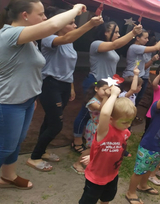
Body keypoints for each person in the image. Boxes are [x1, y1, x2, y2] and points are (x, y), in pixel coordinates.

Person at [0, 0, 86, 189]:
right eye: (41, 14)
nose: (45, 18)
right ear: (25, 15)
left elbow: (29, 69)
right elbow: (51, 26)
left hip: (25, 101)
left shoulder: (28, 38)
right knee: (4, 146)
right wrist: (75, 10)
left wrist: (32, 94)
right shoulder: (10, 34)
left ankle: (8, 175)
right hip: (8, 103)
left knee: (16, 143)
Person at [27, 9, 104, 171]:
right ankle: (34, 157)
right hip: (50, 84)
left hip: (63, 85)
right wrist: (89, 24)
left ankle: (42, 151)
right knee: (56, 124)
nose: (75, 25)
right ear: (60, 25)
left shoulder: (70, 42)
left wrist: (70, 87)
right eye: (71, 23)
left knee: (50, 120)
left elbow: (68, 66)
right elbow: (67, 37)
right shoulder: (50, 38)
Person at [72, 21, 142, 154]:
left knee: (103, 113)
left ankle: (97, 139)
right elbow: (116, 44)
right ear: (105, 32)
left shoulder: (111, 48)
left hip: (107, 86)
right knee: (86, 113)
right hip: (95, 84)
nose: (118, 34)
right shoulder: (96, 44)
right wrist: (133, 33)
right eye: (115, 31)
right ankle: (76, 141)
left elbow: (116, 45)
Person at [125, 69, 160, 203]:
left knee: (150, 168)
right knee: (140, 170)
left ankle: (143, 185)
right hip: (148, 145)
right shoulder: (159, 106)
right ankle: (130, 192)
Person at [78, 86, 137, 204]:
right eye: (125, 122)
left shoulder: (125, 132)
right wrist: (114, 94)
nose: (128, 125)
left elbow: (111, 148)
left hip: (112, 174)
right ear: (110, 119)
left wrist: (94, 156)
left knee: (107, 198)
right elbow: (104, 113)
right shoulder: (104, 131)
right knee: (88, 201)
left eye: (131, 121)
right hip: (96, 177)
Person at [71, 80, 110, 174]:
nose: (106, 92)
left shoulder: (103, 99)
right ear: (96, 89)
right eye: (104, 89)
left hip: (103, 126)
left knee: (100, 147)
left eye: (108, 90)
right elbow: (103, 109)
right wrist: (107, 97)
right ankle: (77, 163)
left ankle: (94, 163)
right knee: (92, 148)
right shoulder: (92, 102)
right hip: (94, 128)